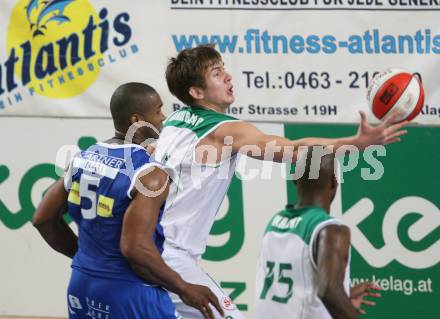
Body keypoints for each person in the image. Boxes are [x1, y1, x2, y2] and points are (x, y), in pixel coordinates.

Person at [154, 45, 404, 318]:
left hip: (149, 250)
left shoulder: (173, 122)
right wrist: (355, 143)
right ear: (196, 92)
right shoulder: (224, 130)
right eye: (217, 73)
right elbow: (296, 150)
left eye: (224, 68)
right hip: (172, 257)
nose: (228, 76)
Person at [32, 82, 223, 319]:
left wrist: (86, 259)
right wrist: (184, 288)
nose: (163, 118)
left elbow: (42, 218)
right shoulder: (150, 174)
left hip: (81, 285)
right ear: (136, 120)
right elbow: (135, 247)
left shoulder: (83, 157)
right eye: (158, 111)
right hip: (131, 294)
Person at [254, 146, 381, 319]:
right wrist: (340, 298)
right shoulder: (330, 229)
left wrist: (345, 295)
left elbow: (293, 289)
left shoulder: (275, 223)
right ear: (334, 182)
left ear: (294, 179)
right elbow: (328, 290)